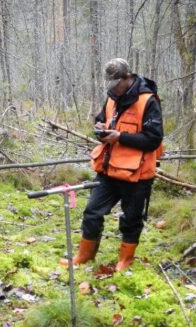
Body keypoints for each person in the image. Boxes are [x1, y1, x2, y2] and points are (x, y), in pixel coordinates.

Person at [60, 58, 163, 272]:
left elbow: (154, 140)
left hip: (137, 174)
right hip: (108, 169)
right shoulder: (111, 98)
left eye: (116, 83)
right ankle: (84, 255)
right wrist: (100, 129)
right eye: (110, 84)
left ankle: (125, 260)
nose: (113, 88)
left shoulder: (148, 101)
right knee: (92, 212)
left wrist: (120, 137)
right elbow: (101, 120)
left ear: (128, 77)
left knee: (131, 219)